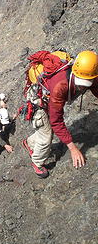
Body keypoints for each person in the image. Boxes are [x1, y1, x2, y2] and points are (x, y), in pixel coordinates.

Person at [15, 50, 98, 178]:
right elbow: (56, 121)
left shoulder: (89, 74)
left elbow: (95, 87)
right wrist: (73, 148)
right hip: (38, 100)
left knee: (46, 129)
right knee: (46, 134)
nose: (82, 87)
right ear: (74, 73)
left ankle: (29, 143)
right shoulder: (61, 86)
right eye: (80, 83)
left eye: (86, 83)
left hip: (49, 95)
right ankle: (37, 162)